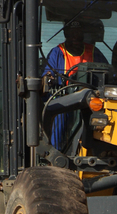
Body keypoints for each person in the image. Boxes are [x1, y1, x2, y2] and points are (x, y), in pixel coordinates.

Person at [43, 18, 109, 147]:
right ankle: (57, 151)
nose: (75, 37)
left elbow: (107, 71)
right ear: (65, 34)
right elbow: (48, 75)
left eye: (78, 33)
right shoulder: (57, 53)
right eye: (71, 33)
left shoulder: (94, 51)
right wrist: (49, 77)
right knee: (59, 119)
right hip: (66, 100)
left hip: (92, 101)